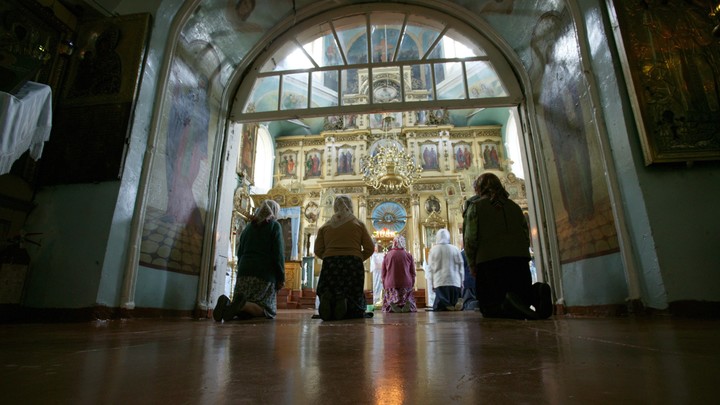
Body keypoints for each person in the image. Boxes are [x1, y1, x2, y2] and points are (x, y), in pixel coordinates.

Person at [463, 173, 552, 320]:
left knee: (489, 307)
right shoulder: (515, 207)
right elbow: (525, 235)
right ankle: (536, 292)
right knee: (521, 292)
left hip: (490, 264)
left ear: (479, 188)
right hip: (519, 263)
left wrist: (472, 264)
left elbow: (470, 239)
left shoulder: (475, 207)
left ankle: (507, 304)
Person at [213, 199, 285, 321]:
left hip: (243, 272)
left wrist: (242, 269)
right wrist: (281, 278)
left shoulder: (248, 228)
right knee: (267, 309)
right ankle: (242, 305)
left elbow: (239, 252)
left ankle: (229, 306)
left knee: (245, 312)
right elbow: (278, 254)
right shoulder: (274, 226)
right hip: (264, 273)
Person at [314, 195, 375, 321]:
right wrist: (358, 257)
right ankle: (347, 305)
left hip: (330, 262)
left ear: (334, 207)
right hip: (352, 262)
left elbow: (317, 250)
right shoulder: (358, 224)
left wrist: (328, 256)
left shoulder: (325, 226)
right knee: (353, 289)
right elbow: (370, 248)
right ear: (350, 206)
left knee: (330, 286)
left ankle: (330, 301)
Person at [426, 228, 464, 311]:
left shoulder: (434, 250)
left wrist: (431, 283)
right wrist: (462, 281)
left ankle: (446, 305)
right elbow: (461, 267)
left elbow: (430, 269)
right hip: (454, 282)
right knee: (454, 305)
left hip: (440, 282)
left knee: (439, 308)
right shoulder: (455, 249)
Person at [381, 235, 416, 313]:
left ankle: (392, 305)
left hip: (390, 283)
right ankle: (406, 305)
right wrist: (412, 283)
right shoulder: (408, 255)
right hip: (406, 283)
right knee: (407, 298)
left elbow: (383, 272)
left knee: (390, 300)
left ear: (394, 242)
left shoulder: (387, 255)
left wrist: (384, 284)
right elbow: (413, 272)